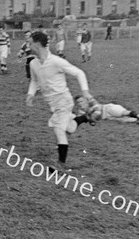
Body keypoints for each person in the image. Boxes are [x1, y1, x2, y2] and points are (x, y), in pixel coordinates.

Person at [26, 31, 95, 168]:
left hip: (64, 100)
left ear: (38, 44)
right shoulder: (33, 63)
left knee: (58, 129)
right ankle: (85, 118)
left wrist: (85, 92)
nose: (28, 46)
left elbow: (79, 73)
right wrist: (30, 94)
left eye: (30, 43)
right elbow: (34, 80)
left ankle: (60, 165)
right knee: (69, 128)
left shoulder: (56, 61)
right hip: (53, 104)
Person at [74, 95, 139, 124]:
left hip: (108, 108)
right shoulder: (80, 112)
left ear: (85, 100)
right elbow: (81, 120)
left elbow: (98, 109)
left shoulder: (91, 103)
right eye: (78, 102)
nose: (80, 103)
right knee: (124, 120)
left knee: (124, 113)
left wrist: (92, 116)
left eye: (81, 101)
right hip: (106, 117)